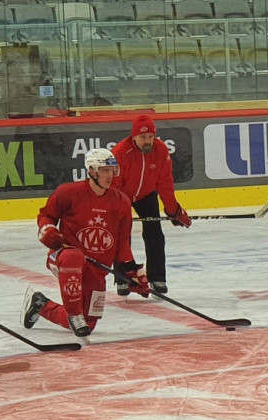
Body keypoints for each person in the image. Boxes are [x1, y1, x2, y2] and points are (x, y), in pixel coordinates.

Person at [26, 148, 143, 338]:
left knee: (89, 324)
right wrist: (47, 230)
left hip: (97, 268)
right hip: (64, 256)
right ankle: (74, 314)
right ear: (91, 171)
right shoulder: (68, 192)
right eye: (104, 170)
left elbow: (122, 243)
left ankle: (41, 305)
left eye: (111, 170)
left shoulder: (121, 201)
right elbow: (46, 216)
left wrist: (132, 273)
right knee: (73, 257)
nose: (109, 175)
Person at [113, 114, 189, 295]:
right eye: (143, 137)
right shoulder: (119, 153)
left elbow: (165, 183)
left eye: (150, 137)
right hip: (121, 196)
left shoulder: (161, 151)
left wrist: (173, 210)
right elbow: (114, 187)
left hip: (146, 195)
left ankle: (157, 278)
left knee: (155, 233)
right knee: (121, 234)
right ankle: (122, 277)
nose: (148, 141)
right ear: (134, 137)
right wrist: (121, 213)